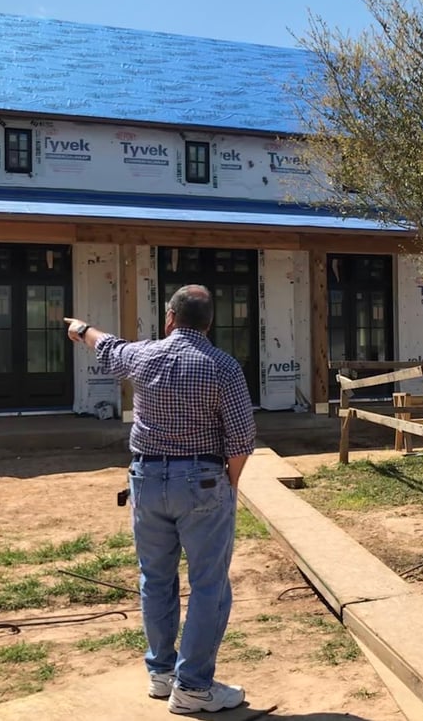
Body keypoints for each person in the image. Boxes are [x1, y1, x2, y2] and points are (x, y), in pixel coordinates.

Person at [65, 284, 256, 715]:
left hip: (146, 477)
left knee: (156, 579)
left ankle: (162, 674)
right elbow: (241, 440)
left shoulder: (143, 355)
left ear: (170, 317)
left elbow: (107, 346)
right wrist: (230, 484)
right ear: (209, 323)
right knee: (208, 585)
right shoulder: (223, 367)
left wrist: (81, 329)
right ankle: (192, 687)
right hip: (202, 480)